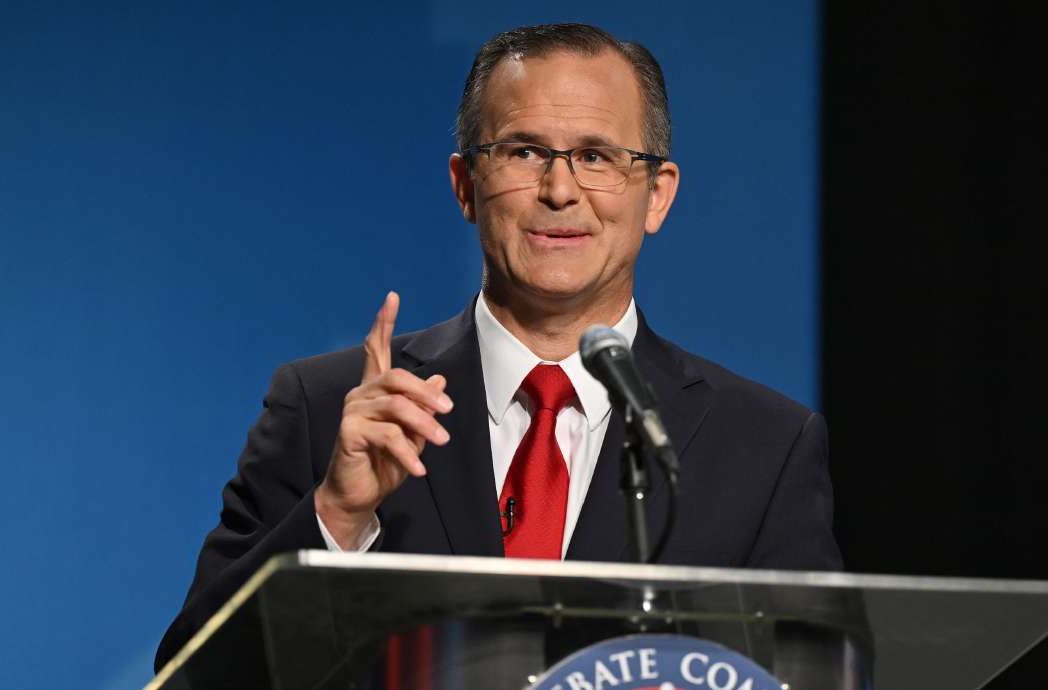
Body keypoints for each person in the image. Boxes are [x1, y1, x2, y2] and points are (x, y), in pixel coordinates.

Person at [155, 23, 841, 672]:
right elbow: (195, 677)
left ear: (656, 195)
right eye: (524, 152)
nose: (560, 190)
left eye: (597, 156)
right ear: (465, 185)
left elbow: (817, 675)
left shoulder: (764, 447)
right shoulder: (328, 411)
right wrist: (336, 514)